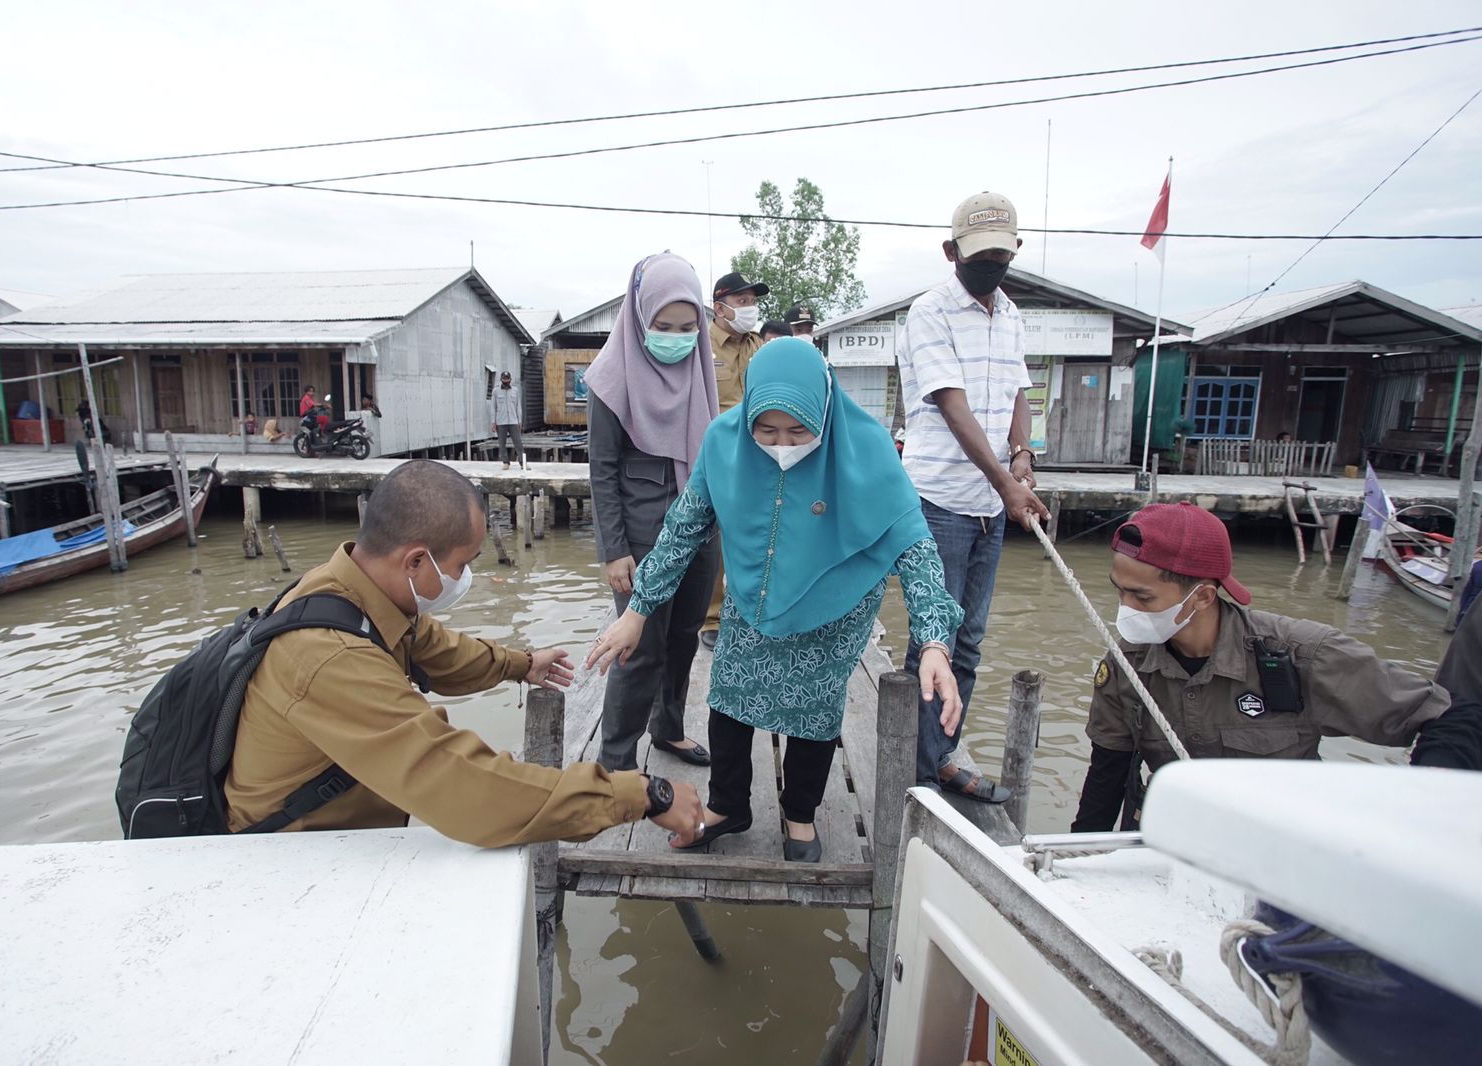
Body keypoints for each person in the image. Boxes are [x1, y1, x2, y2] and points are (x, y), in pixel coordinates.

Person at [587, 339, 966, 862]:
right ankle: (728, 805)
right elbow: (681, 531)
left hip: (836, 600)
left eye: (798, 431)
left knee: (813, 713)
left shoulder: (868, 446)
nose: (782, 444)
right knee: (730, 699)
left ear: (825, 412)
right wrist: (637, 610)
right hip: (754, 592)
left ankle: (800, 814)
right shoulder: (723, 442)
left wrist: (933, 644)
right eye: (766, 431)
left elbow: (915, 547)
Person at [223, 459, 705, 846]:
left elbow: (435, 647)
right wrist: (642, 794)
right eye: (462, 565)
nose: (464, 578)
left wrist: (519, 664)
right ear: (415, 560)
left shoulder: (348, 590)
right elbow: (462, 784)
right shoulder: (328, 658)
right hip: (286, 855)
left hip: (345, 827)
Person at [1070, 502, 1472, 832]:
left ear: (1204, 597)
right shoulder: (1126, 665)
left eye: (1142, 597)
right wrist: (1076, 863)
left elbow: (1448, 719)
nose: (1126, 609)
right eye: (1119, 591)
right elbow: (1108, 771)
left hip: (1286, 844)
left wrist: (1428, 823)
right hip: (1175, 837)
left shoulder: (1302, 655)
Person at [896, 190, 1049, 803]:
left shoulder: (1010, 313)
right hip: (939, 499)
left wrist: (1022, 455)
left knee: (972, 638)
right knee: (932, 634)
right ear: (950, 252)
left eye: (1000, 257)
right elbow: (951, 402)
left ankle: (943, 755)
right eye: (978, 257)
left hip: (990, 504)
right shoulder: (929, 313)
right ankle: (917, 769)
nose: (990, 268)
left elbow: (1018, 392)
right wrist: (1006, 484)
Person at [585, 253, 719, 771]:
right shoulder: (610, 378)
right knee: (636, 648)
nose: (677, 337)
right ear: (640, 318)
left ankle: (669, 729)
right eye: (664, 326)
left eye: (689, 327)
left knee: (684, 638)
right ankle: (615, 760)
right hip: (638, 536)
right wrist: (613, 550)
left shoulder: (698, 370)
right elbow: (601, 468)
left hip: (699, 530)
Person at [700, 271, 769, 650]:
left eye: (752, 302)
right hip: (718, 454)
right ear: (720, 306)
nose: (750, 309)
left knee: (757, 536)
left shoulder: (759, 346)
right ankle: (712, 617)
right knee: (714, 537)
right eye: (742, 302)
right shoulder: (701, 345)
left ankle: (750, 613)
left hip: (760, 454)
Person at [491, 371, 525, 470]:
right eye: (504, 379)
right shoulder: (496, 391)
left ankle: (523, 462)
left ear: (510, 379)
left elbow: (518, 406)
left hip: (513, 421)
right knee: (502, 443)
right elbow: (493, 408)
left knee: (518, 442)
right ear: (501, 379)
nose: (506, 381)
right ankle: (506, 462)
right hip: (501, 421)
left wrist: (520, 420)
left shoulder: (515, 390)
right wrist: (493, 422)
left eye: (507, 379)